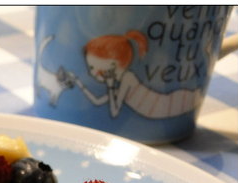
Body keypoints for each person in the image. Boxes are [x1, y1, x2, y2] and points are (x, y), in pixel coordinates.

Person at [75, 30, 204, 119]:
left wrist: (110, 87)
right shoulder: (119, 83)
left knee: (187, 100)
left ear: (113, 65)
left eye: (92, 67)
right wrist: (79, 83)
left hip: (166, 105)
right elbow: (97, 101)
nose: (91, 72)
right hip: (162, 106)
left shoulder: (127, 79)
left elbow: (114, 112)